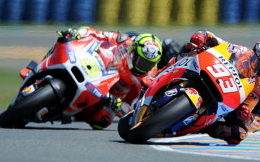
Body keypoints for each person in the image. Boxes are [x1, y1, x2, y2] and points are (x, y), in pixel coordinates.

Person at [20, 26, 163, 130]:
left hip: (112, 93)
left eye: (147, 63)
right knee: (64, 40)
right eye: (140, 61)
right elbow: (95, 33)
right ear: (133, 51)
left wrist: (119, 106)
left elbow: (137, 106)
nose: (142, 66)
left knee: (102, 121)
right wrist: (77, 33)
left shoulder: (148, 77)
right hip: (100, 67)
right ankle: (37, 68)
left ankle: (78, 113)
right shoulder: (123, 41)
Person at [174, 30, 260, 144]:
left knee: (239, 133)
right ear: (254, 58)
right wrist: (202, 37)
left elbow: (258, 123)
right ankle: (167, 69)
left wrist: (248, 119)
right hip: (219, 80)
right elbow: (214, 39)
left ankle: (198, 128)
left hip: (235, 107)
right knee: (192, 49)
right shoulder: (241, 53)